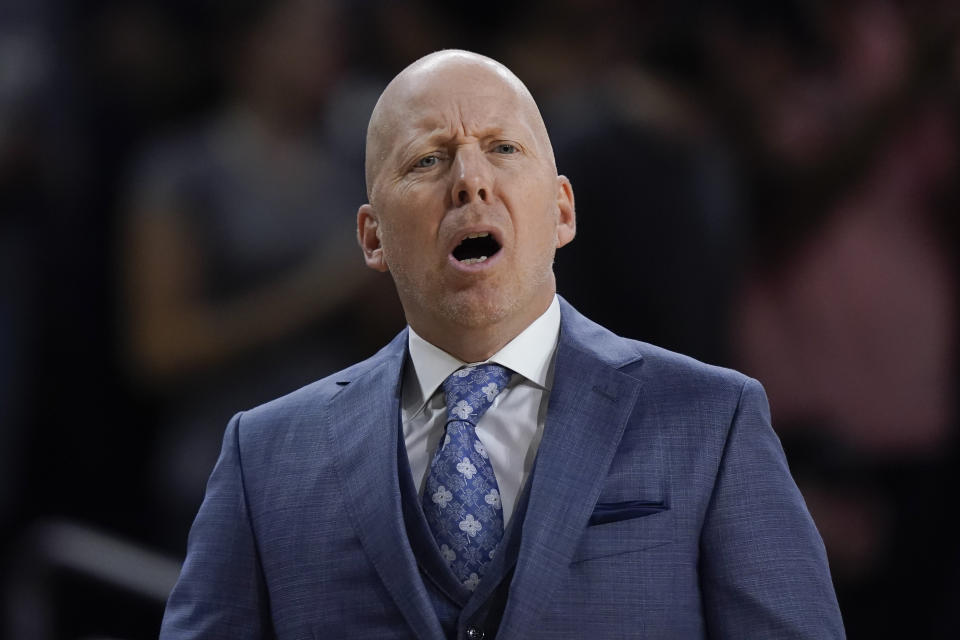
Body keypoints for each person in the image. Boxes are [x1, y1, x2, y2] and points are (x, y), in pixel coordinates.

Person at [160, 50, 845, 639]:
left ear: (562, 210)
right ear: (372, 238)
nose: (470, 179)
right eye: (428, 159)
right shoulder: (264, 456)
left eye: (503, 148)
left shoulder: (711, 420)